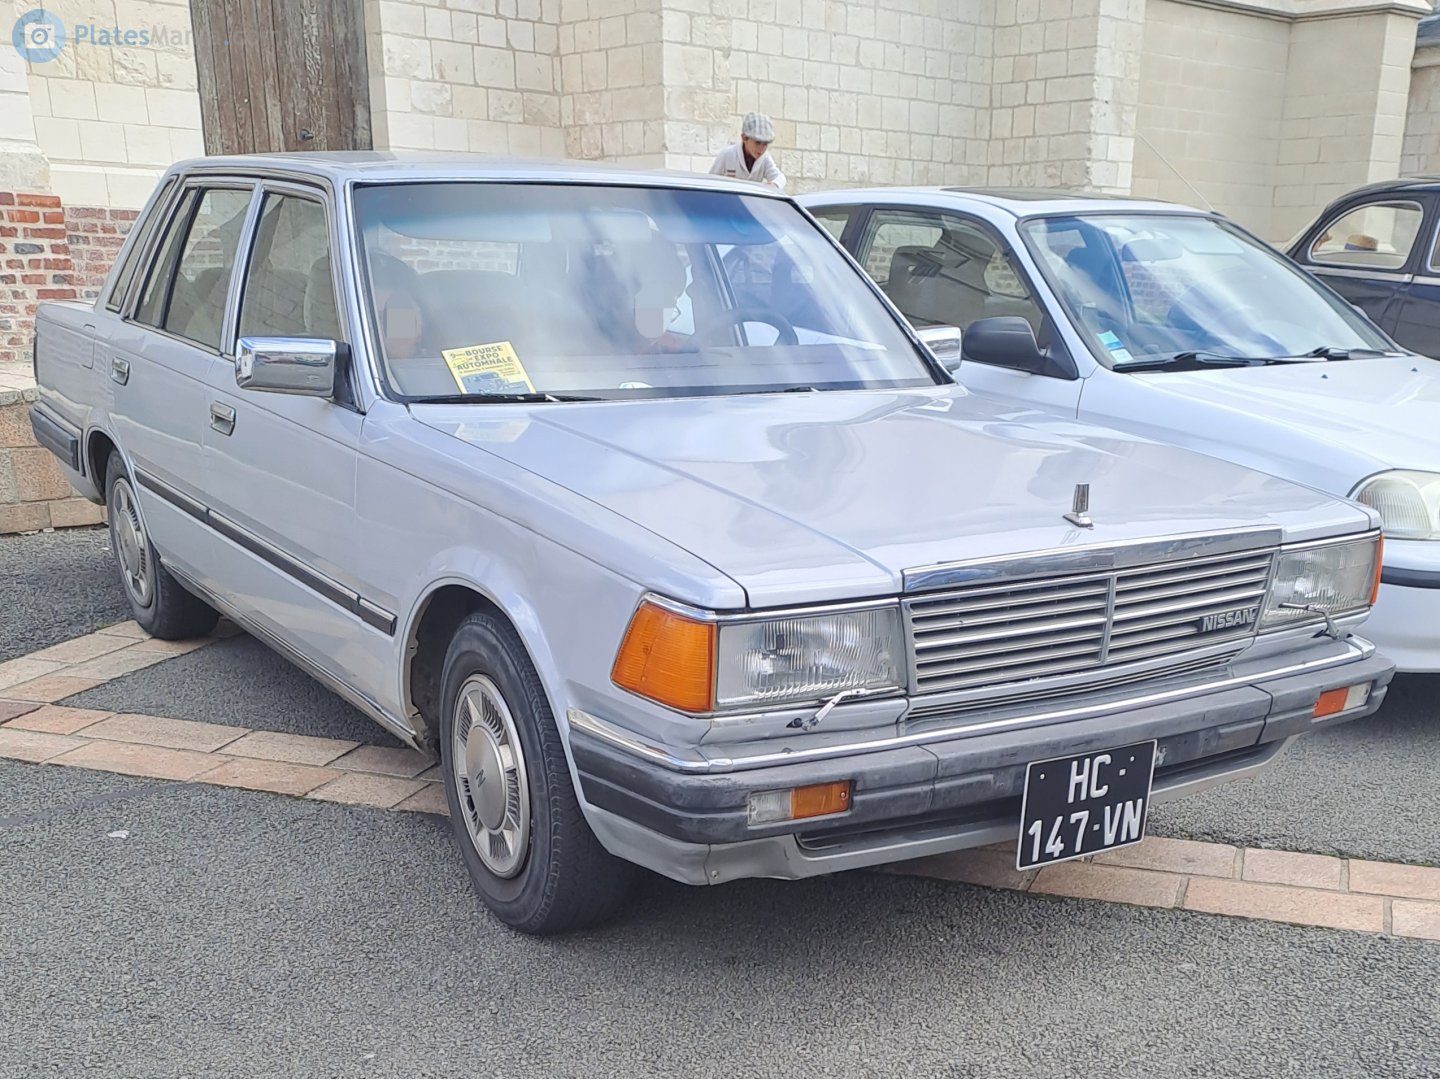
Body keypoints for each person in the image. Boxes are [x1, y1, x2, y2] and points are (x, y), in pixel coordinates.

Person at [709, 113, 786, 191]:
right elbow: (710, 181)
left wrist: (774, 184)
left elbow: (780, 178)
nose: (761, 149)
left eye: (765, 144)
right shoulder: (727, 155)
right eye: (758, 143)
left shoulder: (765, 159)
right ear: (744, 138)